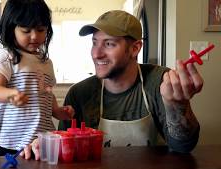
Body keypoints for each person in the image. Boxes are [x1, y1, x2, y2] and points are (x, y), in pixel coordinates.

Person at [57, 10, 202, 153]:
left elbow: (183, 147)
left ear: (135, 48)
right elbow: (63, 150)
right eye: (94, 43)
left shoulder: (159, 83)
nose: (96, 54)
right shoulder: (79, 94)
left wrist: (178, 106)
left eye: (108, 44)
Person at [0, 0, 73, 160]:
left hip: (41, 138)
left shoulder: (46, 62)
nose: (34, 36)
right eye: (26, 31)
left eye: (41, 30)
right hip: (10, 140)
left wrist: (58, 111)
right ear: (12, 29)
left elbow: (46, 93)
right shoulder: (6, 56)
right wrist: (11, 94)